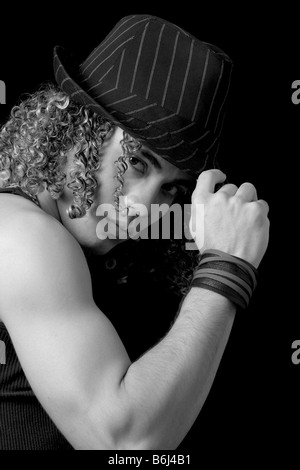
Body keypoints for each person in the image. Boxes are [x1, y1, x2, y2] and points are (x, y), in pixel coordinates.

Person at [0, 14, 269, 450]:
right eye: (138, 162)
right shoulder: (25, 237)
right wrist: (227, 267)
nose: (144, 209)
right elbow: (127, 446)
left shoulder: (60, 240)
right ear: (77, 131)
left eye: (172, 189)